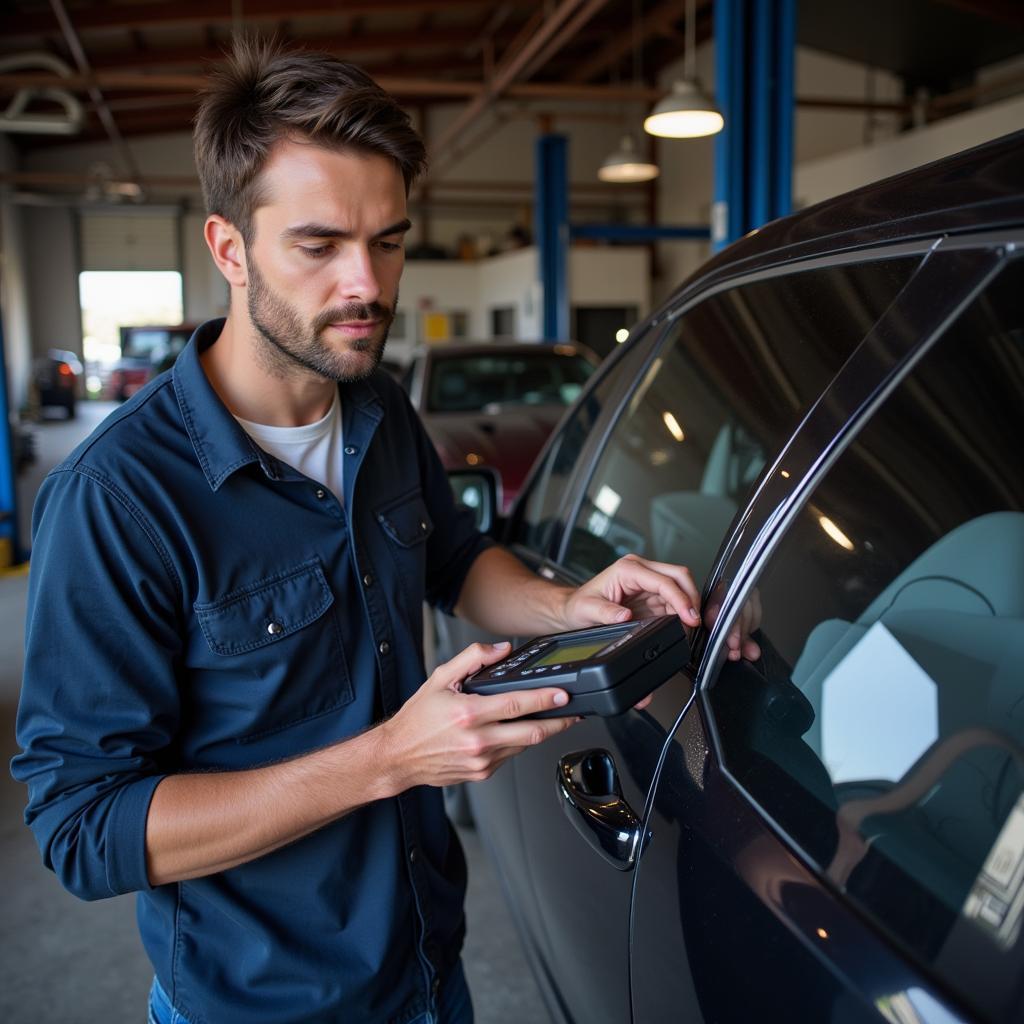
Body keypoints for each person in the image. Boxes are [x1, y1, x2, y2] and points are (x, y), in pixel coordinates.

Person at [11, 40, 746, 1024]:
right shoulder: (117, 499)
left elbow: (453, 559)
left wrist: (568, 603)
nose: (366, 285)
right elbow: (84, 829)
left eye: (388, 241)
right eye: (318, 246)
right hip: (261, 1002)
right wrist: (392, 756)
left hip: (427, 965)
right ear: (229, 249)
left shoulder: (379, 408)